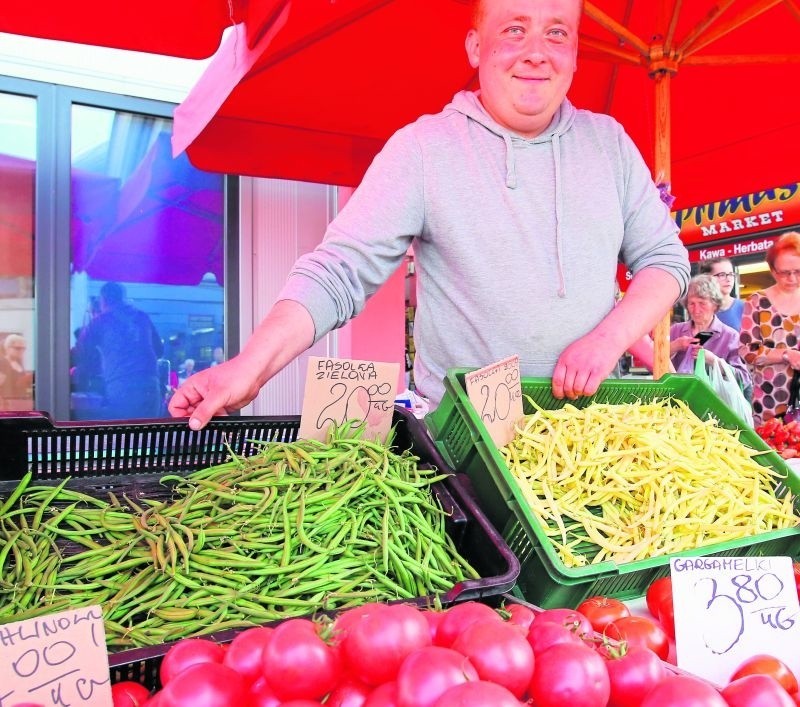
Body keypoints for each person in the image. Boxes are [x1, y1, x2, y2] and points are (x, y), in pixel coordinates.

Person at [169, 0, 690, 430]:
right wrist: (250, 367)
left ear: (576, 52)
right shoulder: (424, 149)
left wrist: (608, 340)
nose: (536, 53)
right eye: (514, 29)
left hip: (589, 435)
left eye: (557, 33)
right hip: (470, 442)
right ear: (474, 46)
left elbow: (665, 259)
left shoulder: (610, 145)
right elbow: (337, 273)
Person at [75, 281, 164, 419]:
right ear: (122, 297)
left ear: (103, 300)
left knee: (125, 436)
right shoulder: (142, 316)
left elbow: (82, 351)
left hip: (122, 386)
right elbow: (159, 350)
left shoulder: (101, 320)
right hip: (151, 385)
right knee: (148, 436)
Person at [739, 231, 800, 426]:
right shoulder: (757, 301)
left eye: (798, 271)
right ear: (773, 271)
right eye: (784, 272)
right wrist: (786, 355)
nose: (792, 278)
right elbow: (746, 351)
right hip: (768, 401)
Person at [669, 274, 751, 390]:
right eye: (692, 303)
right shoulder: (676, 330)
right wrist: (675, 346)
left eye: (702, 303)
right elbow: (653, 363)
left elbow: (743, 379)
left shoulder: (730, 336)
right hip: (677, 401)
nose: (696, 310)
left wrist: (714, 361)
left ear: (715, 304)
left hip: (715, 403)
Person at [698, 257, 744, 331]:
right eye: (722, 275)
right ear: (707, 279)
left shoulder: (744, 307)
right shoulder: (698, 309)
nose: (728, 279)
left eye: (731, 274)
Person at [0, 334, 33, 403]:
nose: (21, 351)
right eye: (18, 348)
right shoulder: (2, 363)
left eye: (23, 348)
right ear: (7, 348)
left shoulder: (19, 363)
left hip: (20, 401)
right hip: (7, 404)